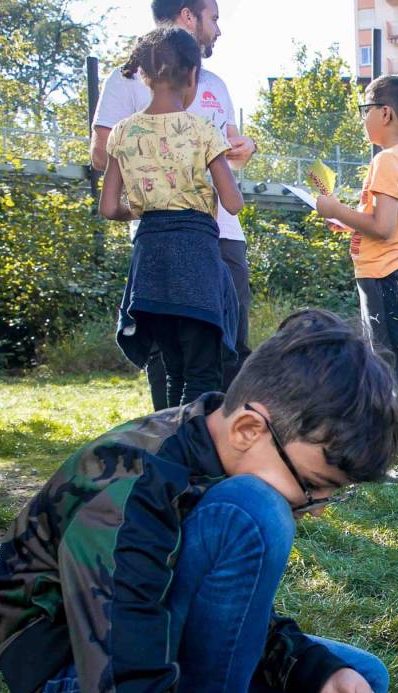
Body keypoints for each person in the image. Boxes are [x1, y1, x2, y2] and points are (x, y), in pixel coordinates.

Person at [0, 309, 398, 693]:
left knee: (359, 679)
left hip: (146, 640)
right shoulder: (130, 487)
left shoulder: (216, 440)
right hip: (71, 676)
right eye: (313, 485)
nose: (319, 507)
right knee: (254, 511)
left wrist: (315, 671)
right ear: (250, 429)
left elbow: (225, 612)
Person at [91, 0, 258, 408]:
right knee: (205, 365)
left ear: (147, 77)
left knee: (173, 361)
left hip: (152, 258)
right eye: (214, 18)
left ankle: (169, 450)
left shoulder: (127, 133)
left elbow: (109, 207)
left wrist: (150, 199)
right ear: (191, 77)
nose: (218, 28)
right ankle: (202, 453)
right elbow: (232, 202)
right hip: (199, 247)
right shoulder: (200, 129)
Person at [315, 76, 398, 481]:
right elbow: (380, 223)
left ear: (385, 112)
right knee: (391, 362)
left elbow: (384, 227)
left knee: (397, 365)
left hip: (387, 275)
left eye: (365, 109)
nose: (363, 118)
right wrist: (347, 221)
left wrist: (333, 206)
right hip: (388, 274)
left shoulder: (386, 160)